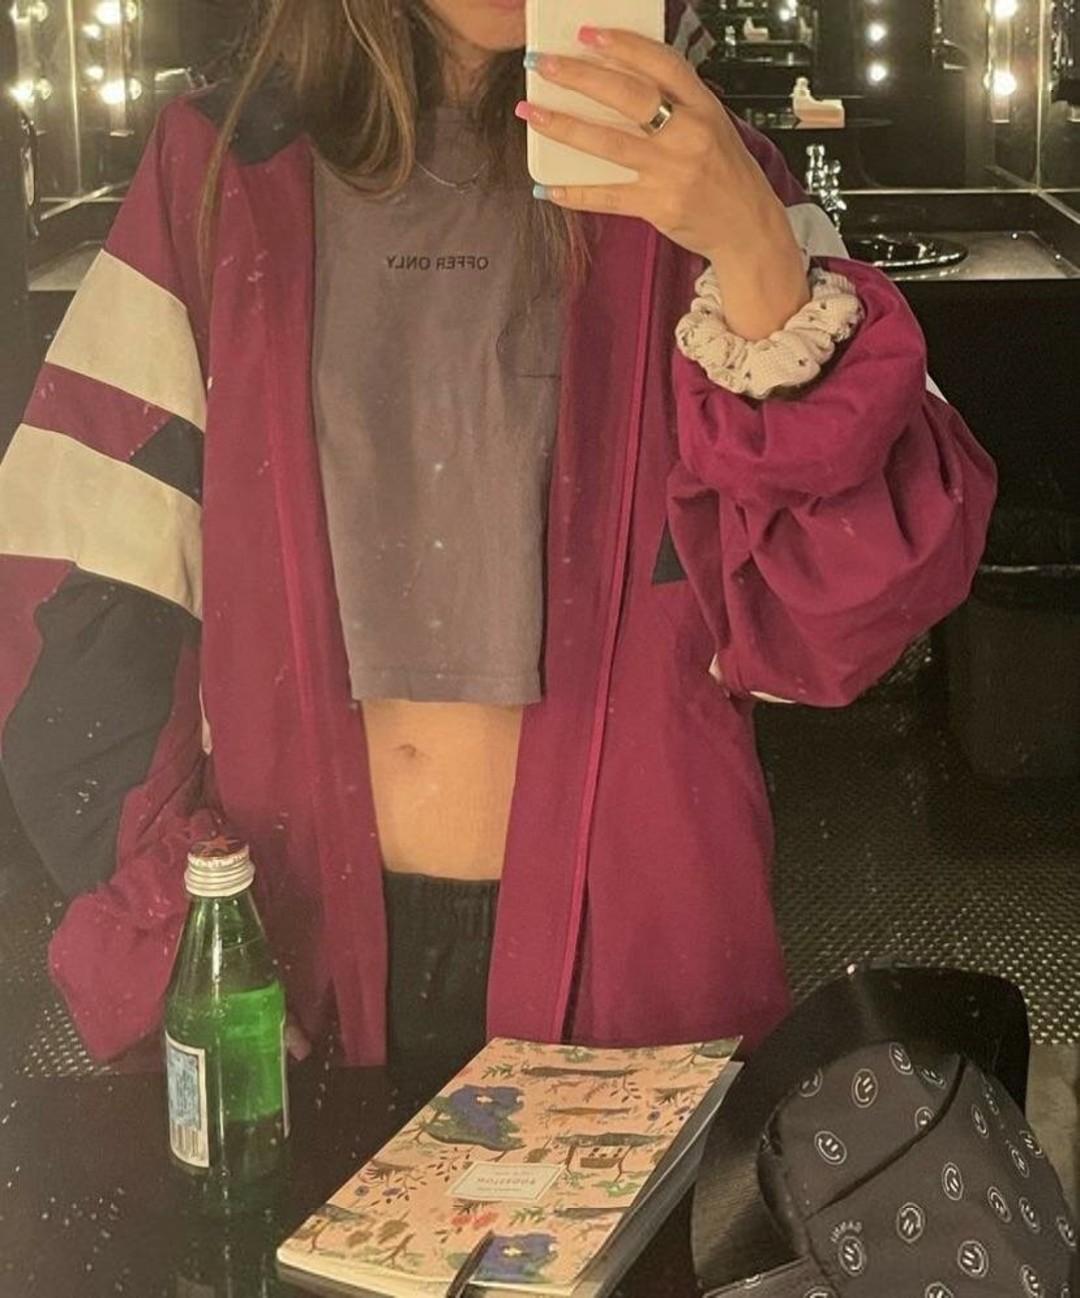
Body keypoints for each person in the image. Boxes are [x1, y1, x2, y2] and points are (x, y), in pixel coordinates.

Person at [0, 0, 995, 1074]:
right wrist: (176, 917)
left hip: (635, 948)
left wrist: (754, 249)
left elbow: (855, 611)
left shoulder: (709, 177)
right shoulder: (223, 168)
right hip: (290, 941)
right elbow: (72, 582)